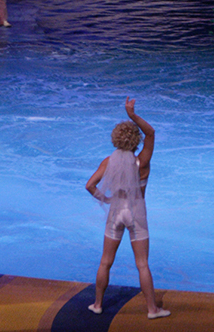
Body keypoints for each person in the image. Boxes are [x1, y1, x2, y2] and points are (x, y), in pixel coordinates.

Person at [85, 99, 169, 319]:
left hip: (116, 212)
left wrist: (107, 199)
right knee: (142, 264)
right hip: (136, 213)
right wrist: (132, 115)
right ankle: (152, 309)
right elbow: (151, 133)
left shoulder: (108, 162)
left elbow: (89, 186)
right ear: (135, 141)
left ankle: (97, 304)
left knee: (105, 261)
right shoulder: (142, 162)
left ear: (115, 139)